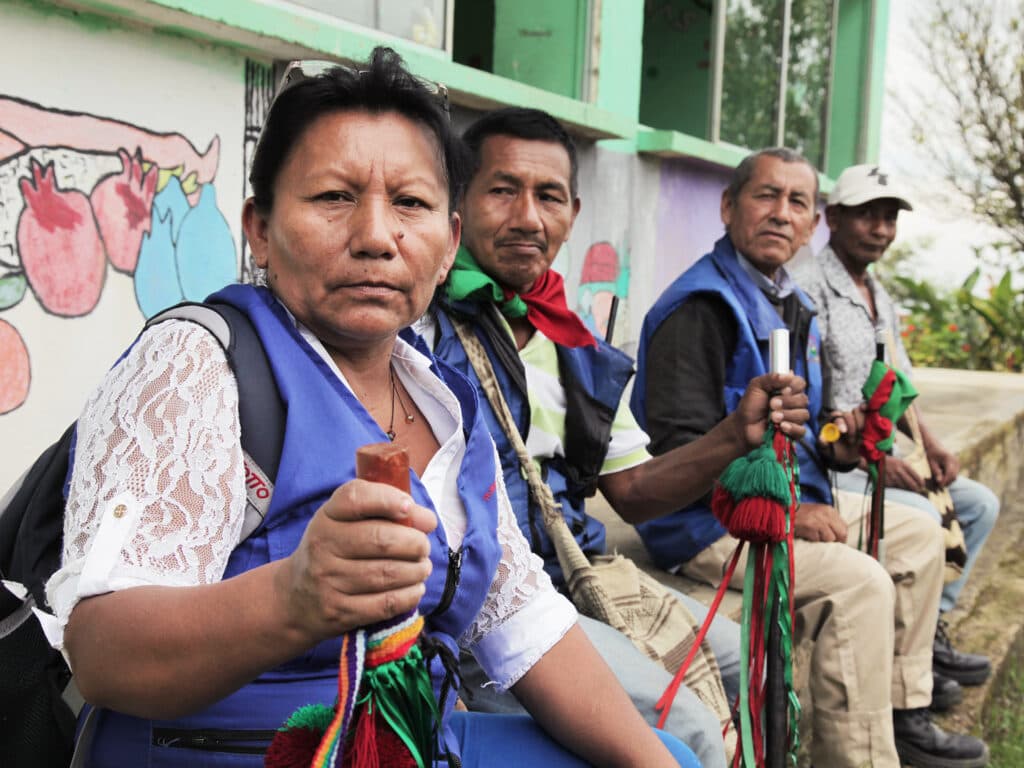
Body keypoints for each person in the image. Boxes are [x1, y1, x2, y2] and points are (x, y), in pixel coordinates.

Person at [43, 49, 699, 768]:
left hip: (403, 742)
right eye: (333, 197)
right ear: (259, 228)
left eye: (411, 205)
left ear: (449, 244)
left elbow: (527, 625)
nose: (378, 237)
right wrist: (292, 596)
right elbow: (101, 653)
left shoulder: (446, 400)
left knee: (669, 751)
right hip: (232, 752)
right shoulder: (198, 366)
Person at [416, 107, 811, 768]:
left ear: (572, 212)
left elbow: (630, 492)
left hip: (574, 577)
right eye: (502, 189)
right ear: (459, 202)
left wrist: (735, 435)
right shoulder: (417, 327)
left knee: (753, 666)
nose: (528, 218)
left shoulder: (573, 341)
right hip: (484, 613)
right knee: (686, 729)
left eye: (548, 197)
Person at [630, 148, 990, 768]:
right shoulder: (701, 307)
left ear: (811, 223)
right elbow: (678, 460)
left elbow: (805, 427)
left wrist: (836, 444)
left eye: (797, 202)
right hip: (708, 525)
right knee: (861, 583)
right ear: (728, 207)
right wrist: (790, 517)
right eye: (765, 196)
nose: (781, 213)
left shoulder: (789, 300)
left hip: (792, 496)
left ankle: (903, 713)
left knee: (918, 532)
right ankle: (859, 758)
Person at [792, 163, 998, 701]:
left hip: (882, 453)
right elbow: (814, 415)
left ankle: (929, 636)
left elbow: (897, 384)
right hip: (833, 462)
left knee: (978, 504)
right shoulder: (807, 291)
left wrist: (930, 446)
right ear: (832, 218)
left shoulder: (878, 293)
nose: (881, 229)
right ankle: (906, 667)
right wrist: (876, 464)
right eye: (867, 216)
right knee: (924, 518)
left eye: (889, 218)